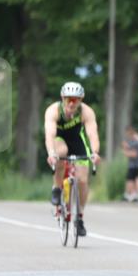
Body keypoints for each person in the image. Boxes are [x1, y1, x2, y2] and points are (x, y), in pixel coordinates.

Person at [43, 81, 101, 236]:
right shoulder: (53, 111)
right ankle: (57, 188)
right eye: (69, 99)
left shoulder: (86, 112)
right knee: (61, 152)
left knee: (82, 180)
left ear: (81, 100)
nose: (72, 103)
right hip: (59, 139)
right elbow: (50, 134)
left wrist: (95, 152)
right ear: (63, 98)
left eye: (76, 99)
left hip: (77, 140)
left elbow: (92, 134)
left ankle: (79, 218)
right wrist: (51, 153)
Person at [121, 125, 138, 203]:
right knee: (135, 179)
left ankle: (129, 194)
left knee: (130, 179)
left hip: (134, 164)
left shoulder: (135, 140)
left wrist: (125, 151)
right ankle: (134, 194)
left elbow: (134, 154)